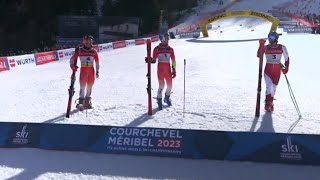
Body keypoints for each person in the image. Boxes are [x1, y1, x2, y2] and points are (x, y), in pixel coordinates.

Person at [257, 31, 290, 112]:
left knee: (274, 88)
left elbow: (287, 58)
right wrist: (261, 45)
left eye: (272, 38)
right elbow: (259, 55)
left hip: (277, 70)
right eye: (269, 37)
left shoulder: (282, 47)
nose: (270, 40)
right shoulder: (266, 47)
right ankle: (268, 103)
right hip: (268, 69)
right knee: (269, 86)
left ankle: (270, 102)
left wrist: (286, 68)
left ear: (276, 38)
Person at [70, 35, 100, 110]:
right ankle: (81, 101)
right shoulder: (80, 50)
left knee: (90, 86)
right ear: (85, 41)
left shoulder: (94, 51)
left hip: (91, 71)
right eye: (89, 40)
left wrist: (97, 71)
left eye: (91, 40)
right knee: (82, 86)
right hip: (83, 70)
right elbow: (72, 59)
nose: (91, 42)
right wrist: (72, 66)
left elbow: (97, 62)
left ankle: (87, 101)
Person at [147, 33, 176, 109]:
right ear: (162, 39)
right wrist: (149, 60)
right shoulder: (157, 49)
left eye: (168, 38)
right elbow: (154, 60)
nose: (168, 40)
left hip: (168, 70)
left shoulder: (170, 49)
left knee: (170, 86)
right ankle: (159, 100)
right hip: (160, 70)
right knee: (161, 86)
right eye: (166, 38)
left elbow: (173, 61)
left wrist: (174, 70)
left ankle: (166, 97)